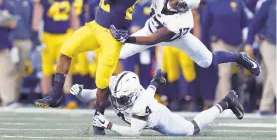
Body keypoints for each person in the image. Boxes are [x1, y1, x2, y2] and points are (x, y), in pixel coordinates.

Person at [35, 0, 148, 136]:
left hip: (112, 36)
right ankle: (55, 96)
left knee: (102, 82)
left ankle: (99, 119)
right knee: (66, 50)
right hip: (96, 26)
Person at [109, 0, 260, 102]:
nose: (173, 3)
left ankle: (239, 57)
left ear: (186, 8)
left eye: (179, 4)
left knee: (207, 60)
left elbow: (152, 39)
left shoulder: (182, 21)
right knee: (120, 54)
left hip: (175, 37)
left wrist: (127, 38)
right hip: (151, 29)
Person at [70, 70, 244, 136]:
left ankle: (227, 101)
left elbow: (134, 133)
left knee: (192, 129)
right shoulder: (117, 88)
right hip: (146, 104)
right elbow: (91, 96)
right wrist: (79, 93)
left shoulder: (140, 103)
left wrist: (108, 125)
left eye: (122, 98)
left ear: (130, 95)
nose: (116, 100)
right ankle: (156, 80)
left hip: (159, 119)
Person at [32, 0, 79, 98]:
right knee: (46, 68)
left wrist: (77, 34)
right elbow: (37, 16)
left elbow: (73, 16)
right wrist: (36, 35)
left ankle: (67, 96)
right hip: (48, 36)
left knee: (65, 67)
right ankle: (46, 95)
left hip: (64, 35)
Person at [201, 0, 248, 102]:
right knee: (224, 74)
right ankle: (226, 104)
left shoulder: (238, 1)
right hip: (220, 42)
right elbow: (206, 24)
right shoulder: (212, 2)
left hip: (237, 42)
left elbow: (244, 21)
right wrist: (205, 42)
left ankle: (219, 102)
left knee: (237, 76)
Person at [64, 0, 91, 108]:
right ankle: (70, 98)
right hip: (66, 32)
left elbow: (88, 11)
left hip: (81, 31)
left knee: (84, 66)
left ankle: (83, 97)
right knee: (69, 66)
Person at [244, 0, 276, 115]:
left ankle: (265, 106)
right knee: (275, 71)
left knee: (272, 75)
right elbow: (255, 22)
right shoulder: (270, 2)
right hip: (269, 43)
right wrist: (249, 43)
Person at [7, 0, 33, 99]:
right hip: (9, 40)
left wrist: (33, 38)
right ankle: (7, 97)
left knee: (21, 71)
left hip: (24, 40)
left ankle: (15, 96)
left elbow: (33, 20)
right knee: (8, 70)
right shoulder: (6, 0)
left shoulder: (28, 1)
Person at [0, 0, 17, 106]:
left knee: (5, 73)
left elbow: (13, 24)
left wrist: (10, 22)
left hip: (3, 43)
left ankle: (7, 99)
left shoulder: (8, 6)